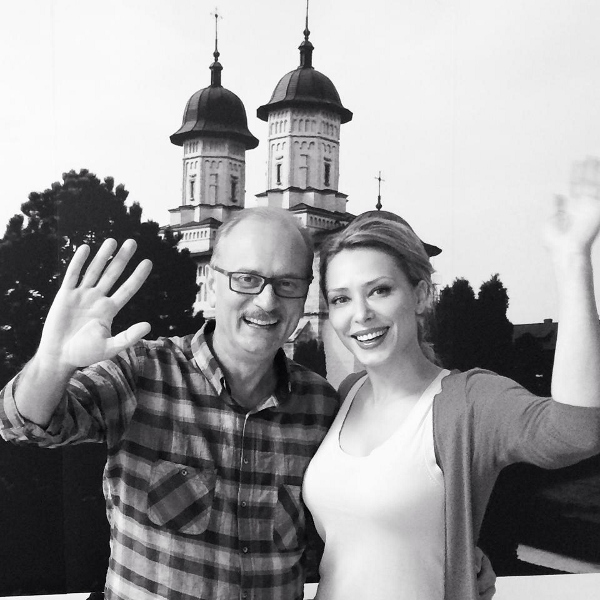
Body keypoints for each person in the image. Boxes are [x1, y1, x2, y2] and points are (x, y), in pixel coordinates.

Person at [0, 207, 339, 600]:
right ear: (212, 284)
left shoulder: (320, 406)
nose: (267, 301)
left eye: (287, 283)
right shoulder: (143, 371)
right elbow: (21, 424)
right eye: (247, 279)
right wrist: (52, 363)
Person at [302, 157, 600, 600]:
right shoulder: (347, 394)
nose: (360, 314)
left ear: (421, 295)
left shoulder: (468, 402)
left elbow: (577, 430)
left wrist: (572, 258)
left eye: (380, 290)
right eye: (341, 298)